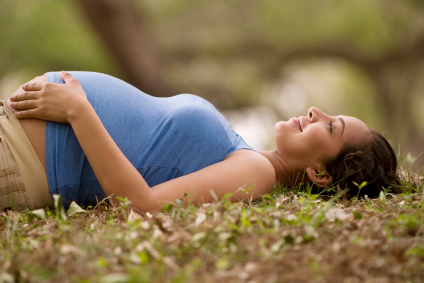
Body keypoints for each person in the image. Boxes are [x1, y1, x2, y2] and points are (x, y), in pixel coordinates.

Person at [0, 71, 400, 212]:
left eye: (330, 127)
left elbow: (142, 206)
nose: (316, 112)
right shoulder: (245, 155)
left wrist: (78, 111)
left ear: (319, 175)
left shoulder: (258, 173)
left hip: (17, 160)